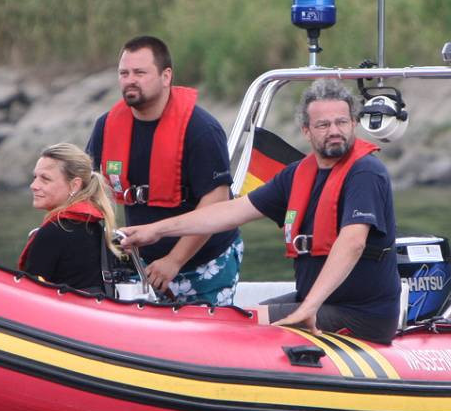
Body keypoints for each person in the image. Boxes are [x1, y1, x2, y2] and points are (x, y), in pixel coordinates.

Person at [119, 79, 399, 343]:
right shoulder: (297, 176)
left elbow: (353, 242)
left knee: (241, 331)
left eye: (341, 122)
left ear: (353, 123)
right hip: (317, 302)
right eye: (323, 125)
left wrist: (307, 309)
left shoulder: (366, 173)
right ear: (306, 131)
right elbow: (229, 212)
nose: (334, 131)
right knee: (232, 321)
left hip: (362, 315)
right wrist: (154, 231)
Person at [86, 35, 241, 306]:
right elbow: (90, 188)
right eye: (124, 73)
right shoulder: (107, 126)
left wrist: (174, 261)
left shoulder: (202, 130)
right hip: (141, 261)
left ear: (166, 76)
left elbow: (216, 201)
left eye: (140, 72)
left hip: (205, 260)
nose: (130, 80)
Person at [19, 143, 122, 294]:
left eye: (45, 179)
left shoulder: (52, 233)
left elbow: (29, 295)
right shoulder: (95, 226)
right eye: (35, 177)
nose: (33, 185)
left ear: (74, 185)